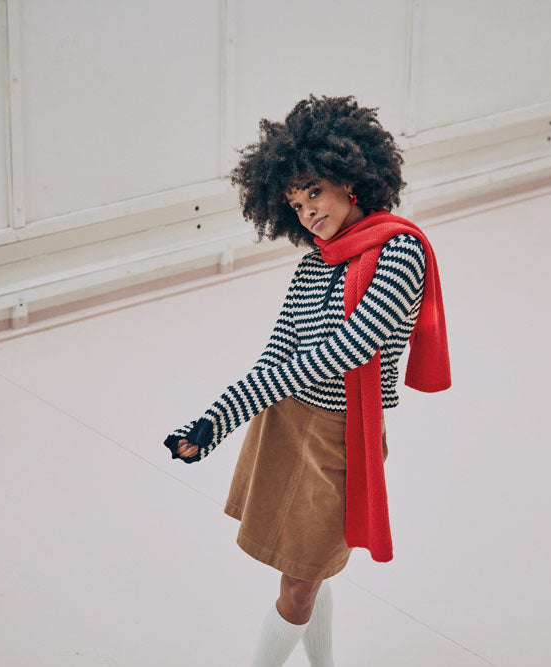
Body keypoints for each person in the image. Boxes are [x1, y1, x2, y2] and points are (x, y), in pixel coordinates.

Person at [163, 95, 451, 667]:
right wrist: (212, 422)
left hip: (342, 438)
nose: (307, 212)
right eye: (295, 204)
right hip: (285, 423)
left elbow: (349, 349)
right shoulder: (313, 266)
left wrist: (241, 401)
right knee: (307, 576)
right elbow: (276, 356)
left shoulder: (401, 252)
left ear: (350, 178)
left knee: (302, 580)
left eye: (314, 192)